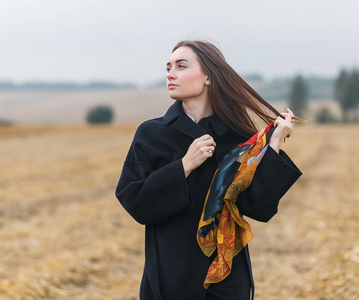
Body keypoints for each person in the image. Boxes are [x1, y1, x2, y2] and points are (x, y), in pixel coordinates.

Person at [115, 40, 302, 300]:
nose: (171, 74)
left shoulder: (239, 137)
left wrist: (274, 145)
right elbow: (135, 202)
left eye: (181, 66)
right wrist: (184, 166)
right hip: (171, 273)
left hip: (227, 275)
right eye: (168, 67)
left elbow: (258, 208)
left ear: (208, 77)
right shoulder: (151, 134)